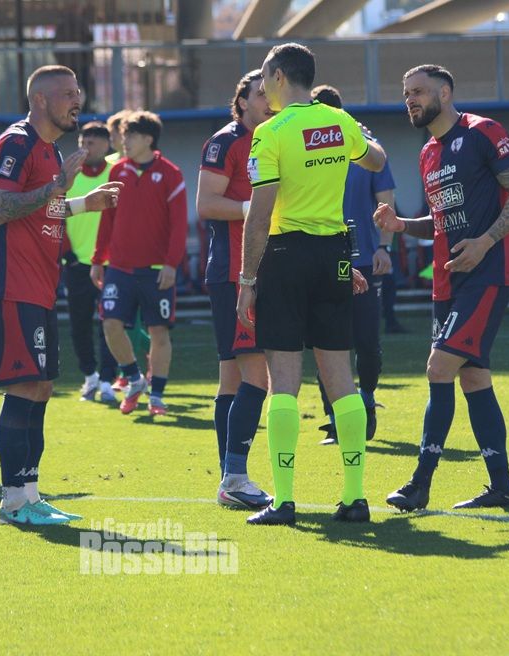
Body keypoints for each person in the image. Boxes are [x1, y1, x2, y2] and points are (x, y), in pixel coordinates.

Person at [374, 64, 509, 511]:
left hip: (487, 274)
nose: (410, 100)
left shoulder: (483, 131)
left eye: (419, 91)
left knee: (438, 368)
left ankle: (420, 484)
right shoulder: (428, 152)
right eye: (406, 93)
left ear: (445, 93)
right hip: (447, 282)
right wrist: (402, 225)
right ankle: (502, 488)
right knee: (473, 377)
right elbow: (441, 223)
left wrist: (484, 242)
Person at [237, 43, 386, 526]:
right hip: (335, 255)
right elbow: (377, 160)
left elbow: (259, 217)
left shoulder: (271, 132)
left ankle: (283, 501)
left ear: (280, 76)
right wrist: (355, 134)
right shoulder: (338, 122)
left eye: (264, 78)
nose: (262, 88)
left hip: (286, 255)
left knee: (283, 381)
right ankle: (355, 497)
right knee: (341, 378)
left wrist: (247, 280)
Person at [0, 65, 122, 526]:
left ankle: (31, 495)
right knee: (23, 387)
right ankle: (12, 501)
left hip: (38, 286)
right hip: (11, 285)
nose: (77, 101)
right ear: (40, 99)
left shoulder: (49, 149)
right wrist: (56, 187)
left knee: (40, 388)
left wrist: (82, 203)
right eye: (67, 94)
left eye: (78, 92)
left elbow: (41, 207)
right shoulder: (16, 142)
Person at [196, 69, 274, 510]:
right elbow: (206, 204)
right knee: (256, 377)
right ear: (241, 101)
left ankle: (230, 475)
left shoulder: (275, 137)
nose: (267, 100)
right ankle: (236, 477)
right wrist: (255, 207)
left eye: (271, 92)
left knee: (232, 378)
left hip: (257, 271)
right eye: (259, 94)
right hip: (234, 273)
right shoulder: (225, 141)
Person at [309, 84, 398, 445]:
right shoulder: (304, 145)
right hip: (322, 258)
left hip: (361, 257)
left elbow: (385, 199)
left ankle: (368, 398)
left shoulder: (365, 145)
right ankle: (334, 417)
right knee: (326, 338)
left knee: (366, 340)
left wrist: (385, 247)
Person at [91, 111, 188, 417]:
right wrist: (98, 259)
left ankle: (156, 396)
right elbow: (107, 219)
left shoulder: (171, 174)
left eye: (130, 135)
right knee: (110, 323)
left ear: (148, 139)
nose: (124, 141)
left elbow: (179, 226)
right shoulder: (117, 171)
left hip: (156, 271)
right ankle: (134, 379)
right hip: (119, 268)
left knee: (159, 332)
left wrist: (171, 264)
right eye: (124, 135)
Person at [64, 121, 118, 402]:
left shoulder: (116, 172)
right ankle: (90, 375)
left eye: (93, 143)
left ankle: (108, 379)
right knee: (79, 324)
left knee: (110, 322)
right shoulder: (67, 176)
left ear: (107, 145)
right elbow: (54, 213)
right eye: (82, 142)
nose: (86, 148)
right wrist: (68, 254)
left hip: (111, 264)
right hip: (76, 264)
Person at [104, 108, 151, 382]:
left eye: (119, 134)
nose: (116, 140)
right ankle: (132, 367)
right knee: (113, 318)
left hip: (140, 259)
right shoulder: (113, 166)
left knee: (131, 319)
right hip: (112, 255)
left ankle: (132, 370)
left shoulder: (147, 166)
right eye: (115, 135)